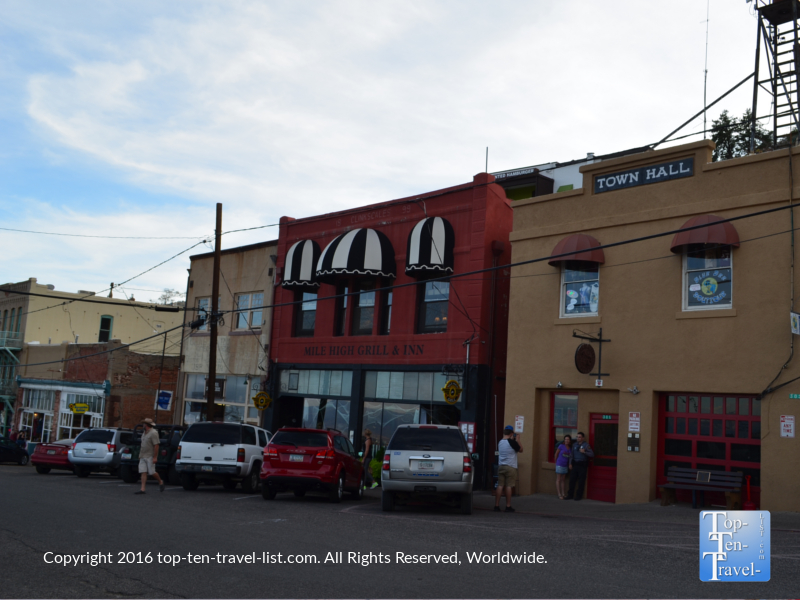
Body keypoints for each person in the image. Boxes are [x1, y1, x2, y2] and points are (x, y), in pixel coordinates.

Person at [494, 425, 523, 513]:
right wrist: (518, 439)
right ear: (511, 433)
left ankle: (496, 505)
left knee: (500, 485)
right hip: (510, 466)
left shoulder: (500, 442)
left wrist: (513, 440)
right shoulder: (512, 442)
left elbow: (509, 445)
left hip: (501, 466)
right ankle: (508, 506)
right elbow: (521, 450)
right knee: (509, 486)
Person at [136, 418, 165, 495]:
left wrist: (155, 457)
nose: (143, 425)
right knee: (143, 471)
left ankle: (160, 481)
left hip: (150, 456)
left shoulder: (153, 433)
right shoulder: (144, 433)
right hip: (142, 455)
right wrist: (140, 455)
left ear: (146, 425)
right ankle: (142, 489)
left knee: (152, 472)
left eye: (144, 424)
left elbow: (156, 445)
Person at [566, 431, 594, 501]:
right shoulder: (574, 445)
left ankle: (578, 496)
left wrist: (584, 452)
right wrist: (570, 463)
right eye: (577, 437)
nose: (578, 438)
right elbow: (571, 455)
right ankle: (570, 495)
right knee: (572, 481)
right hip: (575, 465)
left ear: (583, 438)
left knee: (581, 482)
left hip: (582, 466)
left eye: (579, 437)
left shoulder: (586, 445)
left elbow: (592, 454)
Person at [554, 434, 572, 500]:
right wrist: (555, 463)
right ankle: (559, 494)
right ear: (564, 440)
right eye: (565, 439)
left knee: (563, 480)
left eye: (568, 439)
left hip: (565, 465)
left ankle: (563, 493)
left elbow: (570, 457)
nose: (567, 440)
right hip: (559, 464)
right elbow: (556, 454)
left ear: (570, 441)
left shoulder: (570, 448)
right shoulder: (561, 446)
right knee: (558, 479)